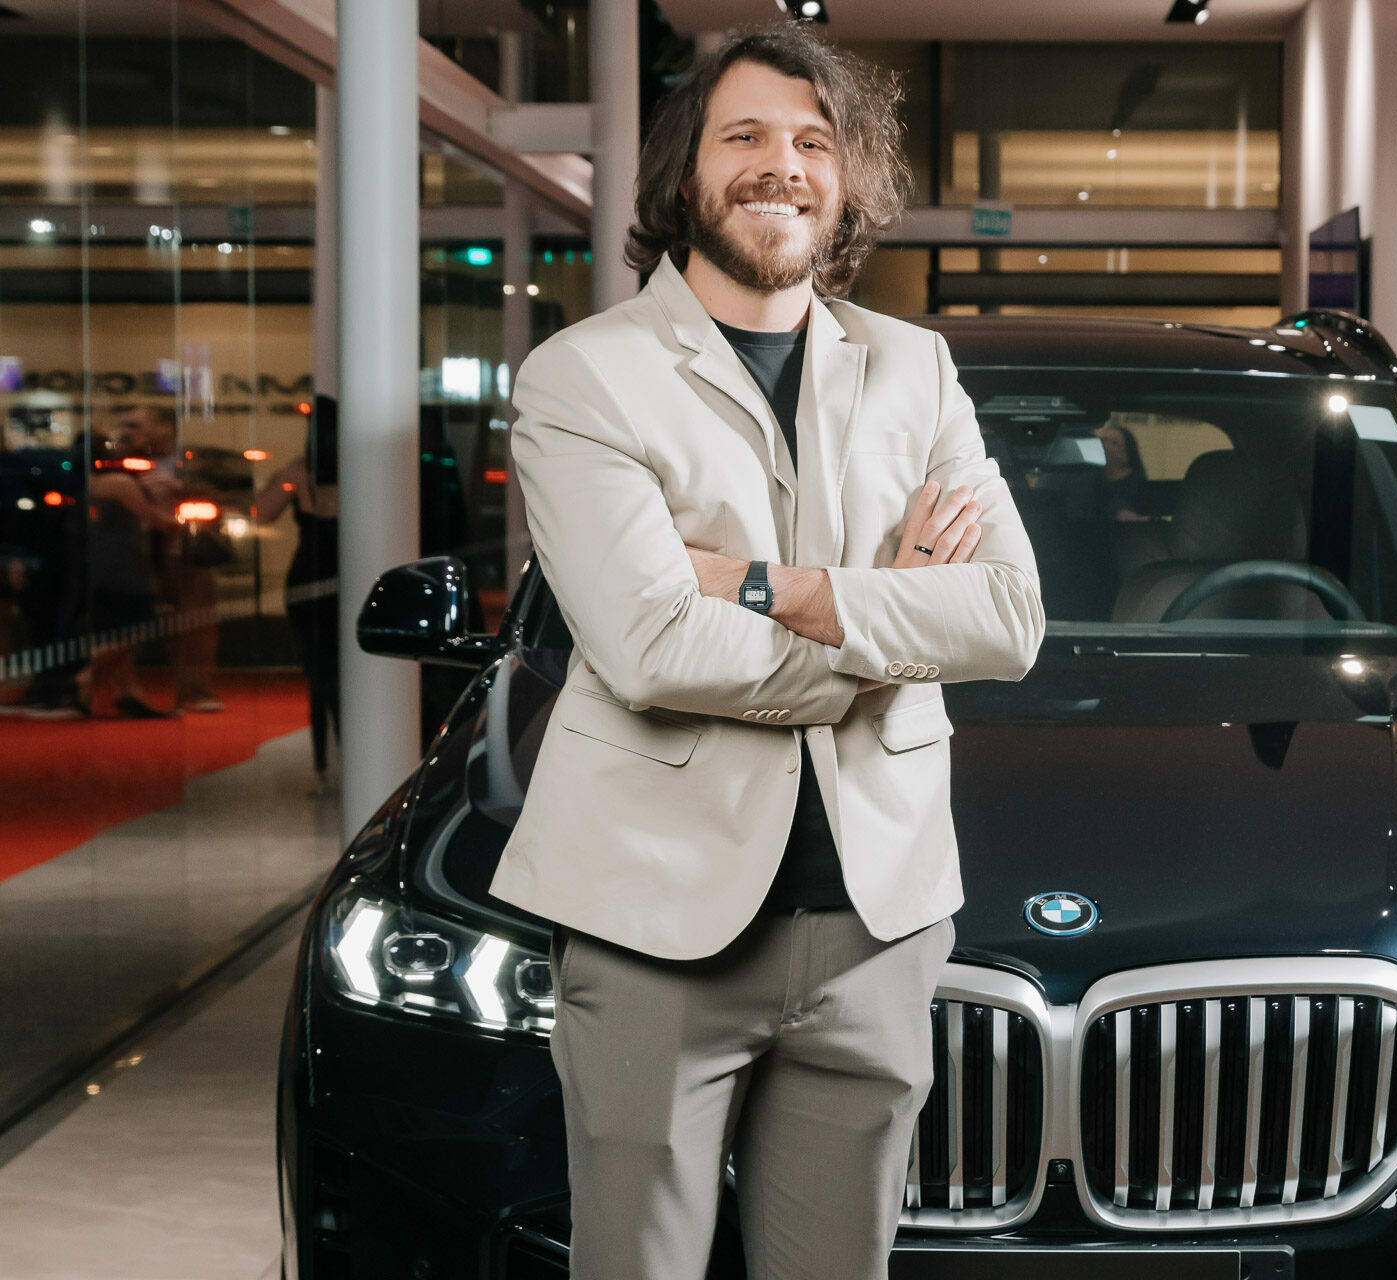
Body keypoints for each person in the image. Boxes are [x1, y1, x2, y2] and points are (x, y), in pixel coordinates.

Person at [488, 27, 1043, 1280]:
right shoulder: (585, 378)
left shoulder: (915, 367)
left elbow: (1008, 616)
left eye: (813, 142)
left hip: (876, 925)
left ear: (847, 181)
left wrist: (766, 586)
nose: (780, 165)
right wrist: (889, 631)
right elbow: (652, 644)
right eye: (744, 135)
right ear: (686, 169)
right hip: (652, 923)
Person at [254, 395, 340, 778]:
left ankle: (323, 759)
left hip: (308, 576)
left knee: (317, 671)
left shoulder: (298, 472)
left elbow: (261, 513)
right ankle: (348, 754)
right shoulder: (364, 469)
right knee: (349, 668)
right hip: (350, 575)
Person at [87, 407, 182, 718]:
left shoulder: (96, 481)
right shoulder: (119, 482)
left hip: (104, 563)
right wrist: (181, 516)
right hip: (121, 565)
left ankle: (129, 692)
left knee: (116, 628)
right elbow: (156, 520)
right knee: (138, 625)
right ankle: (85, 678)